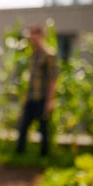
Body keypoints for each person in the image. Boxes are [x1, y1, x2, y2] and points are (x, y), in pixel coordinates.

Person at [16, 24, 58, 157]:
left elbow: (52, 79)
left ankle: (44, 158)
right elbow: (30, 81)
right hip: (31, 97)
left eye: (35, 34)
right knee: (23, 127)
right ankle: (19, 156)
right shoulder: (32, 56)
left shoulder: (48, 55)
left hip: (42, 98)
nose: (32, 38)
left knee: (43, 129)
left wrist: (50, 101)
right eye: (30, 35)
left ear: (42, 36)